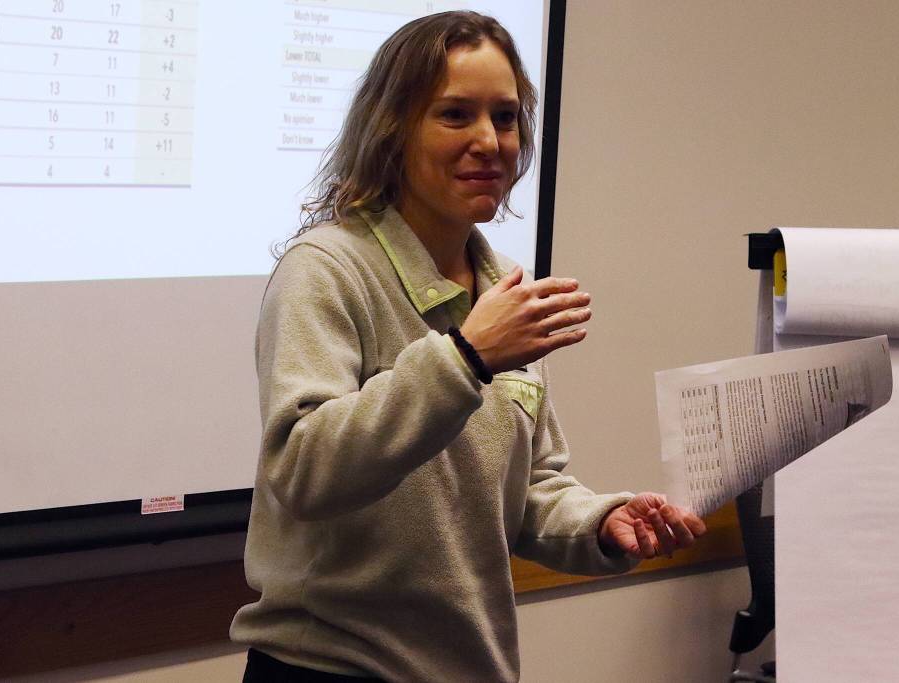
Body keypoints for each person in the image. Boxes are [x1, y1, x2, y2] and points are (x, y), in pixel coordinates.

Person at [230, 11, 706, 682]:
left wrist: (604, 521)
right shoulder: (327, 268)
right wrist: (464, 357)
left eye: (506, 118)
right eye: (455, 115)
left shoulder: (500, 287)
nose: (490, 141)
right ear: (392, 130)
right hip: (330, 668)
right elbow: (304, 470)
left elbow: (530, 492)